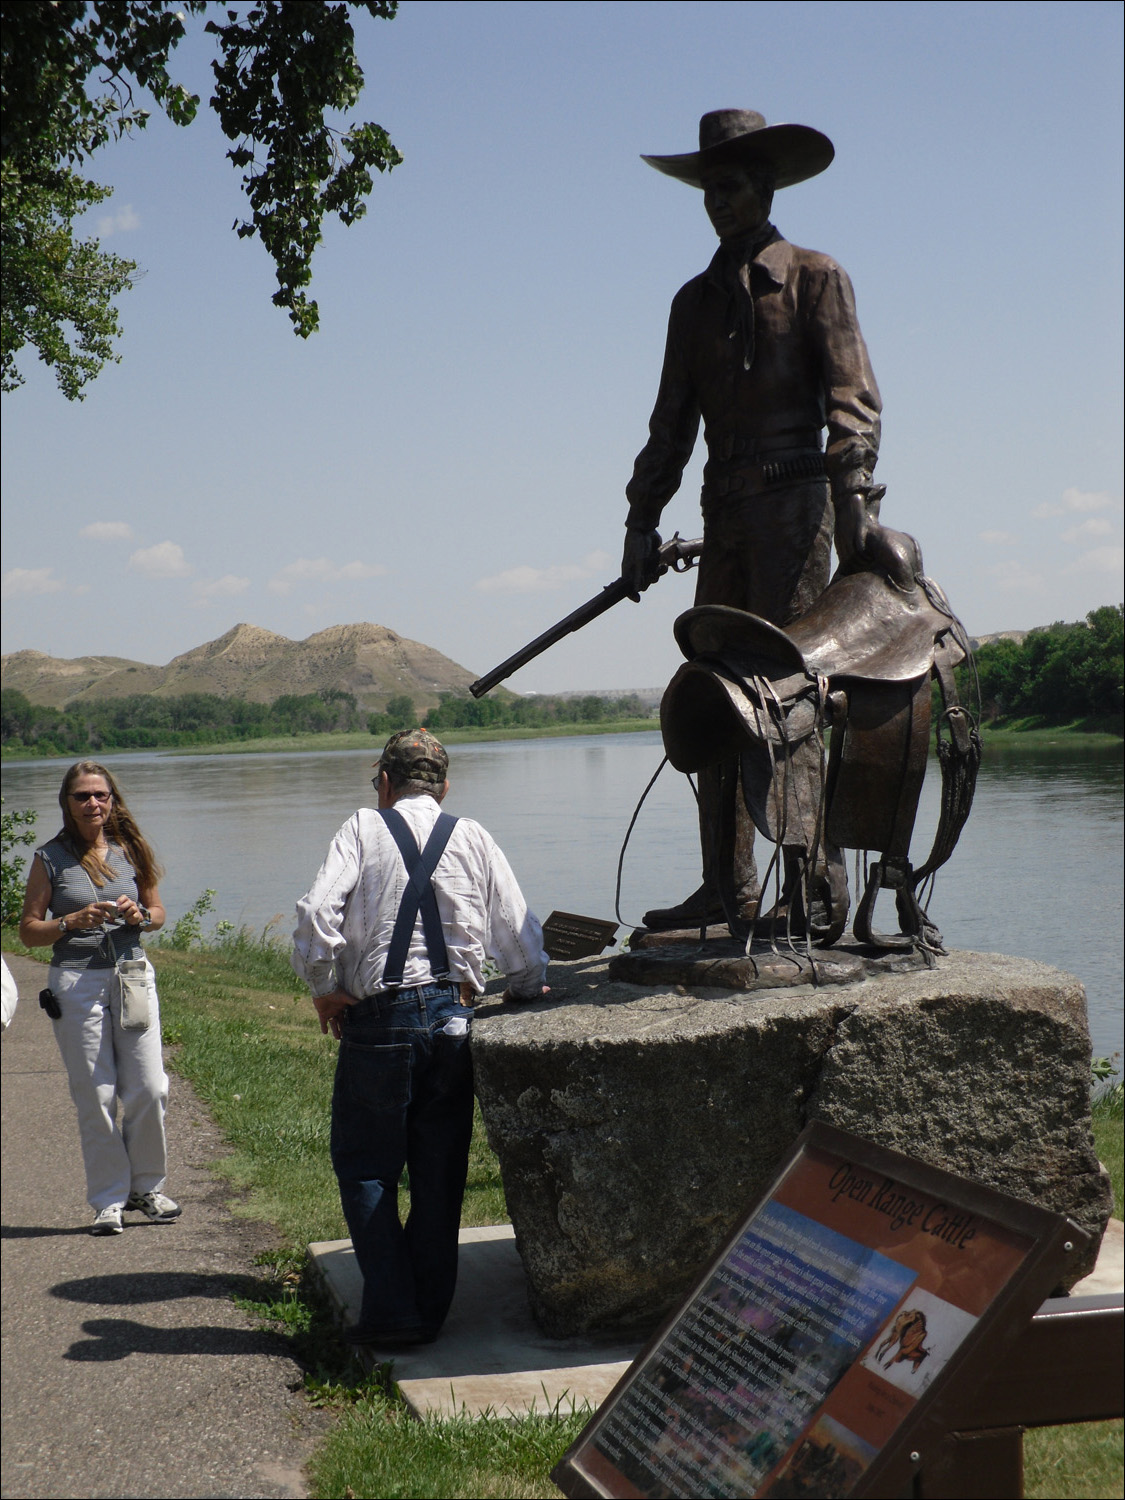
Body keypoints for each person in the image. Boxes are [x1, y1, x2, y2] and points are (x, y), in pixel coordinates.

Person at [621, 109, 883, 931]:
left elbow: (853, 404)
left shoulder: (814, 276)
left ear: (765, 187)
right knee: (711, 694)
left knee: (790, 693)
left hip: (796, 514)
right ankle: (725, 885)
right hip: (722, 514)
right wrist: (638, 523)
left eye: (729, 186)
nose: (716, 202)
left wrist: (853, 511)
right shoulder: (691, 304)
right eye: (707, 189)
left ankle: (813, 888)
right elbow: (669, 426)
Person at [292, 728, 548, 1348]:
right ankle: (428, 1310)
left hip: (381, 1019)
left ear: (384, 781)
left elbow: (314, 915)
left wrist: (325, 985)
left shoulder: (361, 827)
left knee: (368, 1165)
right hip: (457, 1018)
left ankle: (392, 1311)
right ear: (445, 785)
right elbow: (517, 932)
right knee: (440, 1169)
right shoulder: (474, 835)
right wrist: (523, 984)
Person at [19, 760, 178, 1236]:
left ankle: (145, 1188)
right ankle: (108, 1199)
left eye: (100, 795)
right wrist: (70, 921)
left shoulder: (132, 848)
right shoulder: (50, 858)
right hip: (76, 982)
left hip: (131, 976)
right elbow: (28, 932)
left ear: (112, 800)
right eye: (82, 796)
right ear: (66, 804)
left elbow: (158, 912)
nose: (93, 804)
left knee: (150, 1087)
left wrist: (138, 915)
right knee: (96, 1094)